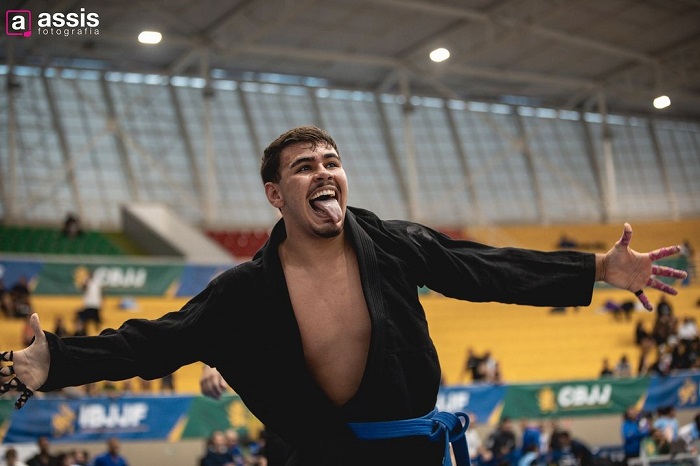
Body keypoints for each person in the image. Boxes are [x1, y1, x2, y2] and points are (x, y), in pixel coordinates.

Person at [0, 126, 689, 466]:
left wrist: (598, 269)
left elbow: (486, 269)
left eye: (332, 162)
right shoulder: (242, 292)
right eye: (305, 168)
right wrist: (53, 364)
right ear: (276, 194)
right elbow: (154, 341)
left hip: (413, 456)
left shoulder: (392, 244)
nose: (324, 173)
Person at [76, 270, 102, 334]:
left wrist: (101, 302)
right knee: (86, 320)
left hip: (96, 304)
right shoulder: (86, 282)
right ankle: (85, 332)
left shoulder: (97, 282)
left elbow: (101, 293)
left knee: (96, 320)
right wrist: (86, 282)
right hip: (88, 304)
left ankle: (98, 332)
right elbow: (82, 288)